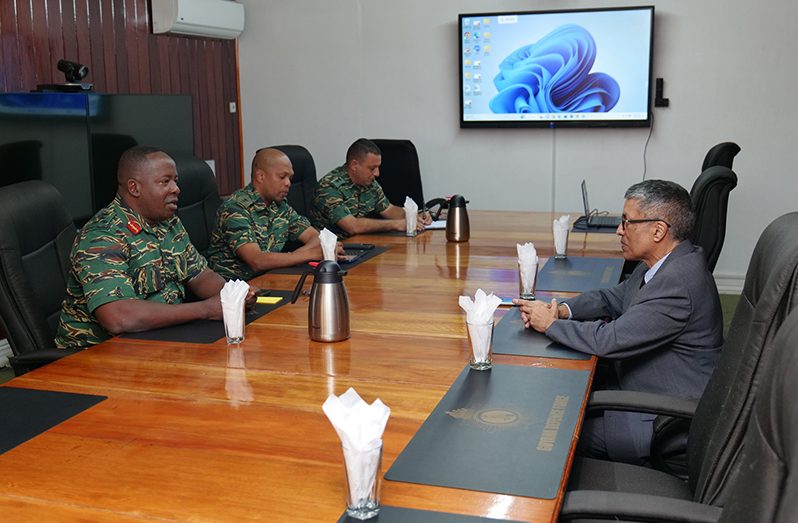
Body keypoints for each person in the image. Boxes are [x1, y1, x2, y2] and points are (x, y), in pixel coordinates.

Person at [514, 179, 723, 465]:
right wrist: (561, 310)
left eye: (627, 222)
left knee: (543, 427)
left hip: (659, 419)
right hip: (638, 388)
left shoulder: (677, 284)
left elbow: (608, 340)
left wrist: (549, 325)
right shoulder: (665, 263)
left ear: (658, 230)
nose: (619, 230)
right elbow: (612, 297)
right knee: (551, 395)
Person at [55, 145, 253, 348]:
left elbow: (200, 276)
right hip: (97, 357)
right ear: (134, 188)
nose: (176, 189)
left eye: (175, 181)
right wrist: (206, 309)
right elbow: (118, 318)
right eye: (165, 182)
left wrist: (233, 295)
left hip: (159, 340)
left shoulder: (168, 222)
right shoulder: (102, 234)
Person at [206, 148, 342, 280]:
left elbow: (315, 237)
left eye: (290, 178)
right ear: (261, 176)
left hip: (271, 278)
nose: (288, 183)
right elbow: (257, 261)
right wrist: (308, 254)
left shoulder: (280, 206)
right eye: (282, 177)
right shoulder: (235, 208)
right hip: (238, 290)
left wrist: (310, 251)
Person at [310, 138, 430, 236]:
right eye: (372, 168)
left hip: (362, 244)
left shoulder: (369, 183)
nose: (377, 173)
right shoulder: (329, 187)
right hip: (335, 250)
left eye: (378, 167)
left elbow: (389, 210)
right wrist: (397, 224)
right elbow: (353, 227)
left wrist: (413, 216)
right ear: (354, 165)